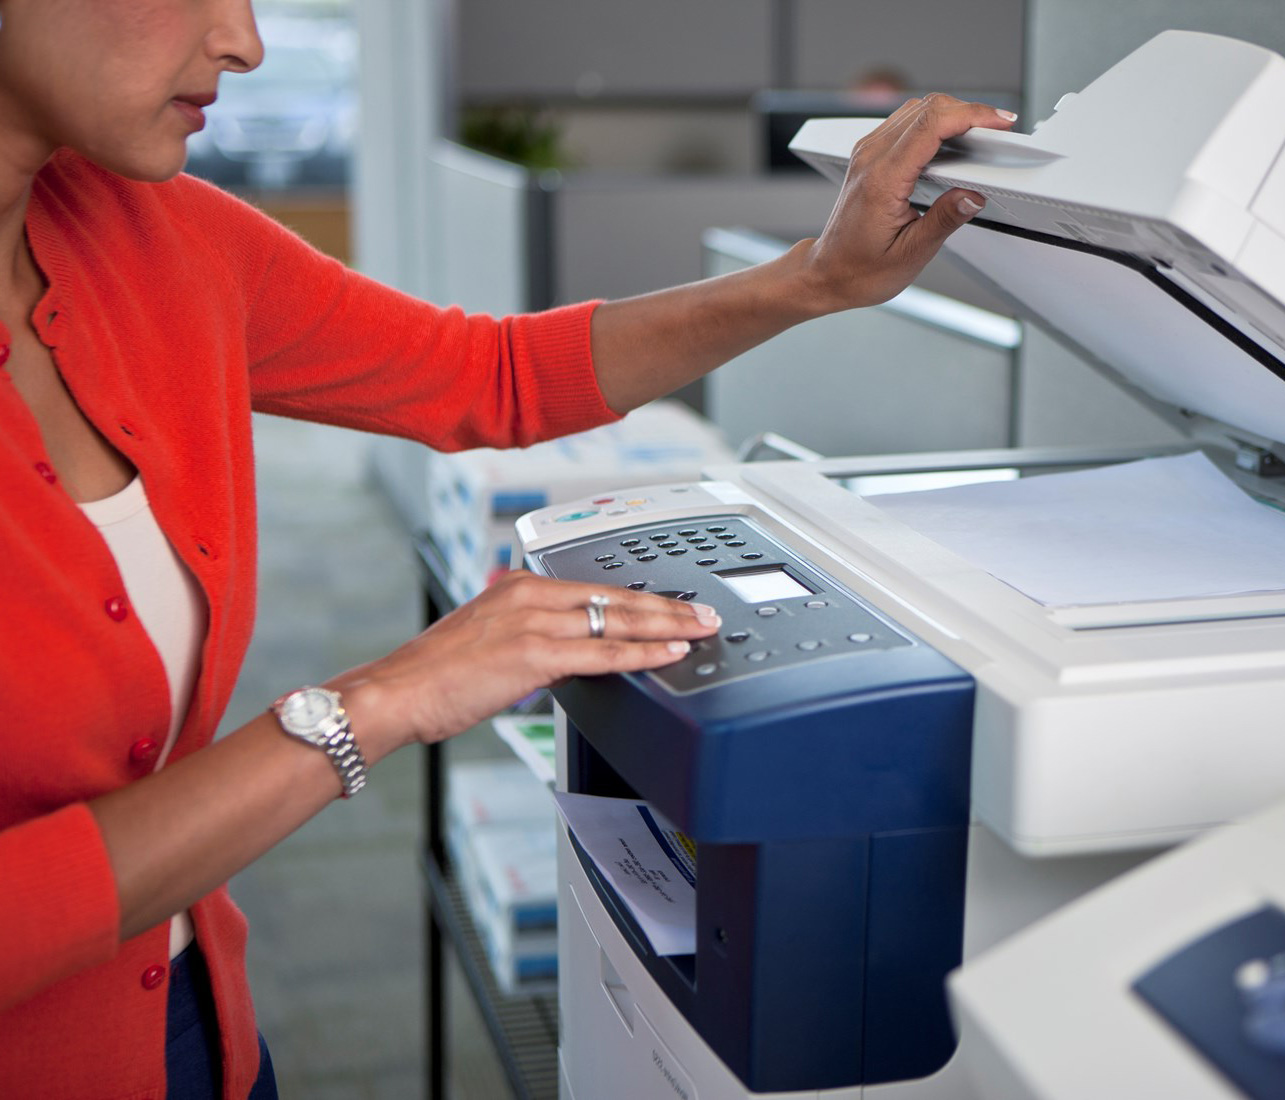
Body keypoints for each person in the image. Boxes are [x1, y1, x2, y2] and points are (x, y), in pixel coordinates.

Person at [0, 1, 1016, 1097]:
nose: (244, 39)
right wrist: (373, 703)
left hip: (201, 1025)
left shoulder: (159, 237)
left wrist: (812, 278)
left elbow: (490, 374)